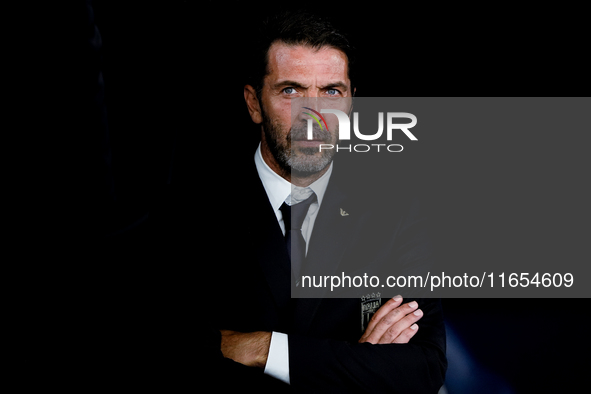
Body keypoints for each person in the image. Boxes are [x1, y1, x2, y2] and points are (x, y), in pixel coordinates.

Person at [207, 10, 447, 393]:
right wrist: (358, 361)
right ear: (254, 103)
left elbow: (423, 369)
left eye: (331, 91)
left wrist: (263, 347)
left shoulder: (397, 214)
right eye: (292, 90)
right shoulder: (189, 213)